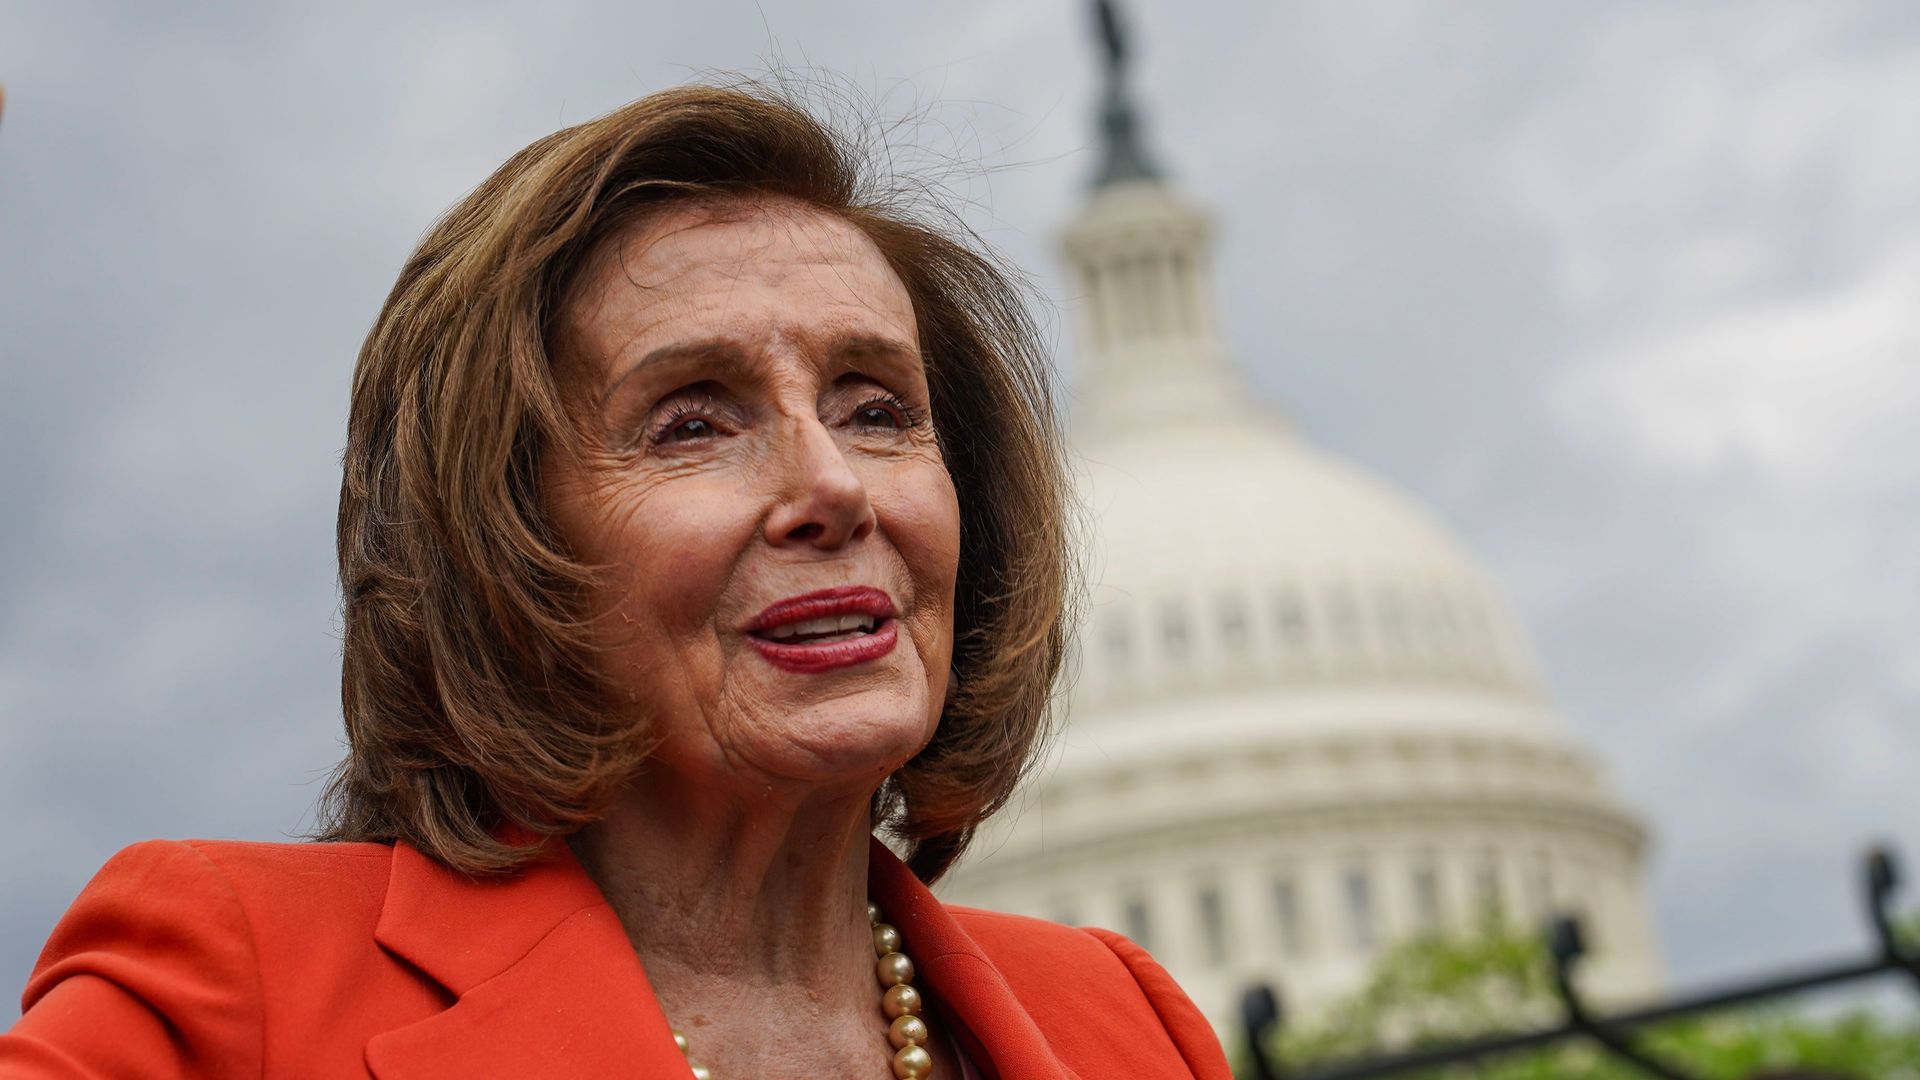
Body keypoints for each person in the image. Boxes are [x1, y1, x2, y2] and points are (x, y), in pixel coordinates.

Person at [1, 84, 1231, 1079]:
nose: (833, 485)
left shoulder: (1128, 1024)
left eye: (876, 410)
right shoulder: (234, 991)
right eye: (692, 424)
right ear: (501, 544)